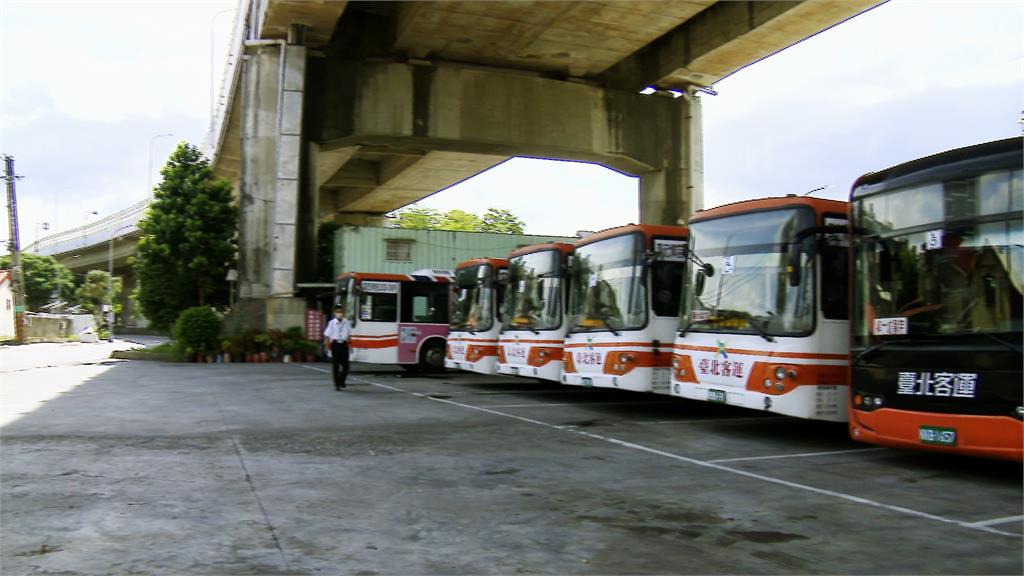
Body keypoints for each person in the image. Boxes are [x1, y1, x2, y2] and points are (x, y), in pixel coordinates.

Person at [322, 305, 352, 390]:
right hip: (335, 345)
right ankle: (337, 385)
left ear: (344, 313)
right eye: (338, 312)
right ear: (335, 313)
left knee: (346, 366)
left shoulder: (347, 322)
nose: (340, 314)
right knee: (336, 366)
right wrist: (326, 346)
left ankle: (342, 380)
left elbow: (349, 335)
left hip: (344, 344)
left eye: (341, 312)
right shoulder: (331, 323)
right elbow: (327, 335)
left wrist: (350, 345)